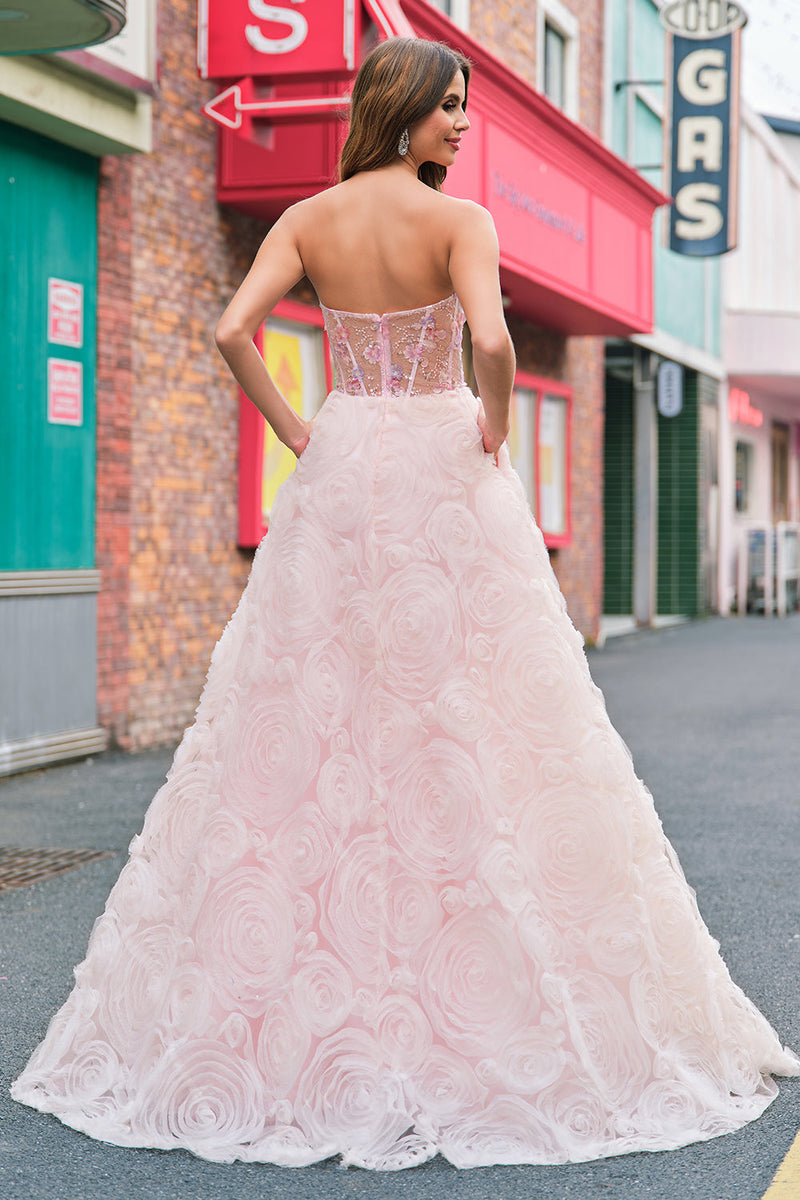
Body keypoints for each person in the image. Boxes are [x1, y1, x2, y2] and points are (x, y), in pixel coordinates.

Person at [11, 36, 798, 1171]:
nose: (465, 126)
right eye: (451, 109)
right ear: (405, 110)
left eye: (468, 108)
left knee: (313, 712)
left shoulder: (309, 219)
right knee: (474, 705)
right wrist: (485, 424)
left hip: (340, 464)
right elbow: (487, 338)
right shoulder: (458, 225)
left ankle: (305, 989)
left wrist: (294, 431)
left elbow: (230, 330)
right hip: (436, 460)